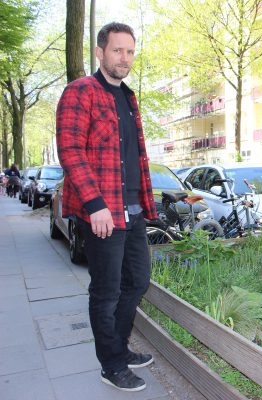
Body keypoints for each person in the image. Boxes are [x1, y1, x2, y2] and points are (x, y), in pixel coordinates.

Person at [56, 22, 158, 392]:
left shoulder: (128, 98)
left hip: (132, 209)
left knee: (137, 281)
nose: (125, 58)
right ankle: (111, 364)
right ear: (100, 52)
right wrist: (95, 204)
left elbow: (135, 157)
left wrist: (147, 204)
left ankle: (118, 348)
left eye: (130, 51)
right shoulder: (80, 91)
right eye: (117, 50)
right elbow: (70, 151)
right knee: (106, 291)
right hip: (102, 212)